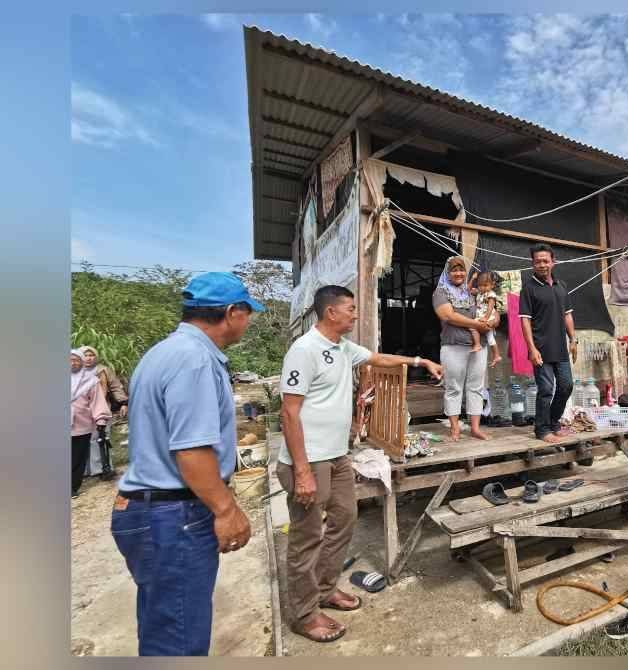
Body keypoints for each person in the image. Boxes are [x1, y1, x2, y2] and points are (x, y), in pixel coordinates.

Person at [111, 272, 264, 655]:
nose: (248, 321)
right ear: (232, 312)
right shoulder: (194, 360)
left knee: (163, 624)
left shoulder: (165, 351)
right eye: (247, 313)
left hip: (150, 508)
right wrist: (226, 509)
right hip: (172, 513)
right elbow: (192, 451)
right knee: (179, 640)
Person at [279, 284, 442, 643]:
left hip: (337, 456)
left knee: (345, 520)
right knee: (307, 537)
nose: (356, 314)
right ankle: (304, 614)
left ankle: (323, 589)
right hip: (309, 461)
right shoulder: (304, 350)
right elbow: (289, 413)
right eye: (350, 308)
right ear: (331, 313)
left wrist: (420, 361)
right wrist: (302, 470)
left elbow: (378, 358)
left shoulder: (342, 347)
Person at [519, 243, 577, 444]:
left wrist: (573, 338)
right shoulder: (529, 288)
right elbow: (524, 320)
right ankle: (542, 430)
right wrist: (532, 349)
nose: (542, 265)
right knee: (545, 389)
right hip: (541, 349)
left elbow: (567, 315)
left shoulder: (561, 286)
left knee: (566, 386)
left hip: (560, 347)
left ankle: (553, 423)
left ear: (553, 262)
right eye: (537, 262)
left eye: (545, 261)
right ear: (532, 264)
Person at [432, 255, 493, 442]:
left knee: (476, 387)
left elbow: (491, 308)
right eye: (454, 270)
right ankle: (455, 428)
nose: (458, 273)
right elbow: (448, 315)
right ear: (447, 273)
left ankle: (475, 428)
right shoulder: (441, 292)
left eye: (461, 270)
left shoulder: (473, 292)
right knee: (453, 388)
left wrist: (492, 320)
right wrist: (477, 325)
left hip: (479, 347)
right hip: (453, 346)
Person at [79, 345, 128, 480]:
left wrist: (123, 403)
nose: (88, 358)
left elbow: (115, 387)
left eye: (91, 355)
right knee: (83, 441)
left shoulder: (103, 370)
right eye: (85, 355)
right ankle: (85, 470)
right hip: (81, 412)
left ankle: (102, 468)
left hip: (101, 408)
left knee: (101, 438)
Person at [71, 348, 111, 497]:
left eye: (76, 360)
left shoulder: (90, 381)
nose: (73, 362)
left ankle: (72, 487)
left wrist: (100, 418)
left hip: (81, 425)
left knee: (77, 458)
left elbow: (97, 401)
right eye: (70, 359)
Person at [468, 270, 502, 368]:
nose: (482, 287)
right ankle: (496, 355)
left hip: (487, 317)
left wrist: (486, 318)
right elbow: (468, 290)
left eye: (485, 285)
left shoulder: (491, 294)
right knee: (490, 339)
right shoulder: (479, 292)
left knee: (472, 327)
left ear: (492, 285)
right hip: (482, 317)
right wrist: (473, 279)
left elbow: (491, 307)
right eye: (480, 285)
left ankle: (477, 344)